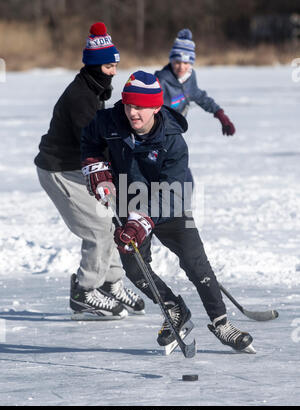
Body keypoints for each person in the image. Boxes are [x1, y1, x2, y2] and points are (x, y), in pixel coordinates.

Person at [80, 70, 255, 353]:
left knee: (197, 264)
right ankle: (174, 308)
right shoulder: (110, 121)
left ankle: (222, 323)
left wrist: (142, 220)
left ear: (156, 107)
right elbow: (90, 140)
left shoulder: (173, 141)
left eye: (140, 107)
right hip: (128, 201)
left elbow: (171, 190)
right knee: (135, 268)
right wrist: (97, 169)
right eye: (128, 104)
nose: (132, 112)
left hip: (169, 204)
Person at [34, 22, 145, 320]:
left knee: (108, 221)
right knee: (97, 229)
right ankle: (84, 291)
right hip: (59, 170)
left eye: (115, 65)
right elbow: (93, 143)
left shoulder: (94, 90)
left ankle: (110, 284)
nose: (114, 71)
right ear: (96, 65)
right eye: (109, 66)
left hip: (77, 167)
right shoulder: (81, 97)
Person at [155, 29, 235, 136]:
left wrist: (219, 113)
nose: (181, 67)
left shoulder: (190, 77)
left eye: (186, 62)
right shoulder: (161, 80)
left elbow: (198, 95)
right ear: (171, 61)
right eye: (177, 62)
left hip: (177, 130)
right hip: (160, 132)